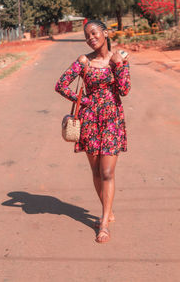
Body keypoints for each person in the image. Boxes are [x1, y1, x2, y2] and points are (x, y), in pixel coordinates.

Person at [55, 19, 131, 244]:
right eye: (87, 35)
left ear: (105, 33)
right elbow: (61, 85)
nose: (91, 38)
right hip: (89, 120)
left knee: (108, 172)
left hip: (111, 120)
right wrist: (83, 99)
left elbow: (124, 90)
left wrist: (119, 65)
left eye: (94, 33)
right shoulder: (84, 62)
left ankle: (104, 222)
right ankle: (108, 210)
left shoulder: (120, 58)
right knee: (97, 172)